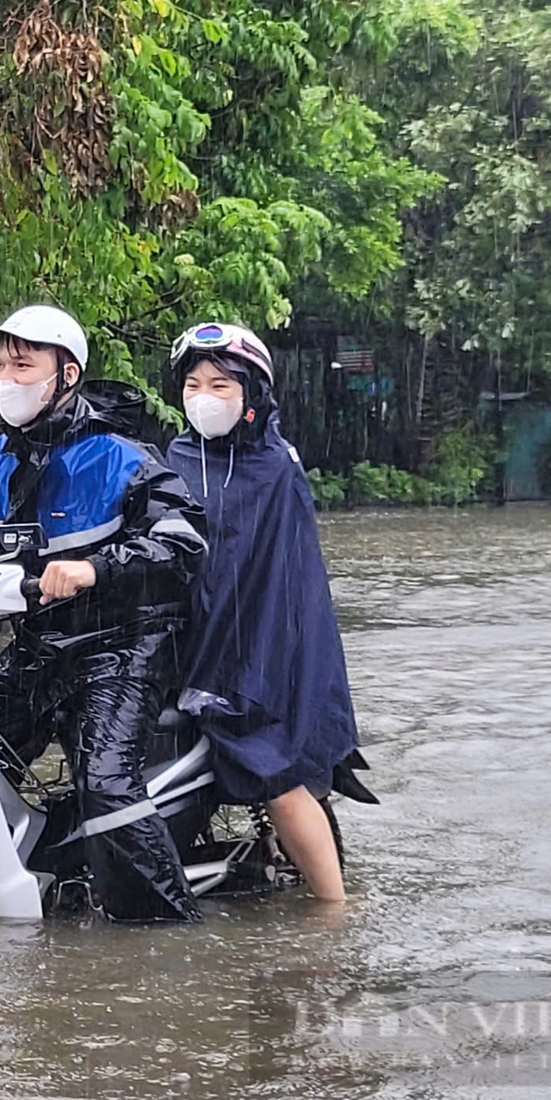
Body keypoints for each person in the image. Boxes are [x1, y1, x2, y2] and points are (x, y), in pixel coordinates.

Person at [0, 305, 210, 924]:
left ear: (67, 374)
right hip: (41, 647)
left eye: (23, 364)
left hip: (125, 647)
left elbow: (183, 542)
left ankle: (167, 936)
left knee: (104, 783)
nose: (6, 378)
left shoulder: (120, 454)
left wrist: (95, 568)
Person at [163, 322, 369, 903]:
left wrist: (244, 668)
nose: (204, 397)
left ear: (251, 395)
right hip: (192, 642)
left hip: (269, 653)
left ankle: (334, 914)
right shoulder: (175, 458)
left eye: (221, 385)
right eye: (194, 384)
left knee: (277, 778)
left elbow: (283, 584)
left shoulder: (276, 467)